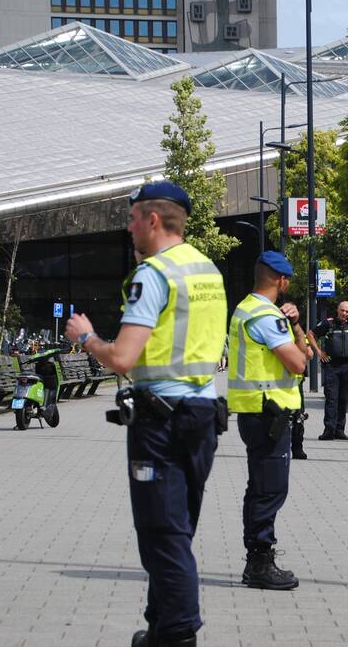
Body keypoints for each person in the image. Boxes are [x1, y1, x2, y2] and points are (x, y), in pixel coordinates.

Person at [65, 181, 227, 647]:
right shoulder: (206, 269)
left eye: (132, 217)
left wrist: (86, 337)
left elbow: (122, 358)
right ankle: (159, 625)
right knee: (178, 528)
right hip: (202, 411)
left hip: (162, 419)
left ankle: (176, 635)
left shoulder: (154, 275)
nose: (129, 226)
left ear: (153, 220)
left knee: (161, 531)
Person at [227, 251, 310, 591]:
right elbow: (300, 362)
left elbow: (300, 350)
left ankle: (257, 559)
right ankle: (260, 563)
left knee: (260, 488)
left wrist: (294, 323)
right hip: (268, 412)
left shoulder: (247, 308)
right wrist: (290, 326)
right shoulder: (264, 315)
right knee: (270, 490)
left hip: (256, 412)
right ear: (281, 280)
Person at [307, 301, 348, 440]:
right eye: (342, 310)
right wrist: (319, 352)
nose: (344, 313)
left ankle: (340, 430)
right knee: (331, 399)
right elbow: (310, 334)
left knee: (344, 399)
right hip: (331, 366)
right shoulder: (328, 323)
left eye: (347, 311)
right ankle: (329, 430)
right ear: (338, 310)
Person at [283, 300, 314, 460]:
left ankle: (297, 447)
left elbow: (309, 354)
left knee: (299, 416)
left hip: (296, 382)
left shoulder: (297, 332)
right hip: (279, 382)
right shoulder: (275, 330)